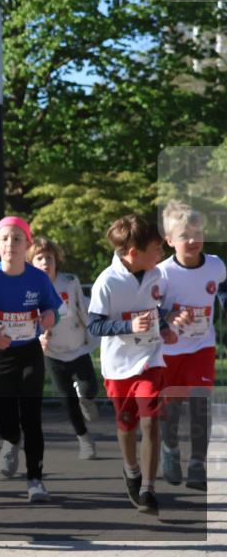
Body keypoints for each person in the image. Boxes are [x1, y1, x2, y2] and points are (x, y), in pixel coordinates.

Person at [87, 214, 180, 516]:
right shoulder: (107, 281)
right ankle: (131, 471)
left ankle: (149, 489)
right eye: (156, 248)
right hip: (118, 365)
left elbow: (160, 310)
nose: (161, 254)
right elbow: (95, 326)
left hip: (151, 358)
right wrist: (128, 326)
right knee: (126, 425)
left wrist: (167, 324)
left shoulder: (158, 275)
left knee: (151, 420)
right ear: (133, 253)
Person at [0, 217, 61, 504]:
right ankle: (10, 438)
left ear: (27, 244)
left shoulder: (38, 278)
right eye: (5, 238)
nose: (11, 244)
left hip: (29, 349)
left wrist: (48, 317)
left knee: (32, 416)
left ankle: (35, 480)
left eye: (17, 238)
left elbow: (53, 309)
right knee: (4, 416)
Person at [157, 202, 226, 492]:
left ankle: (198, 462)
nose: (193, 240)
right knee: (171, 407)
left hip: (201, 345)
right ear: (170, 240)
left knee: (200, 403)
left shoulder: (215, 265)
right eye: (185, 235)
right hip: (170, 349)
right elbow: (148, 307)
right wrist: (168, 315)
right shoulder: (162, 273)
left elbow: (222, 290)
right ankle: (169, 446)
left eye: (197, 233)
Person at [27, 237, 101, 459]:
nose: (45, 262)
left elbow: (82, 307)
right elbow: (28, 319)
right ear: (32, 262)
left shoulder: (69, 281)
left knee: (90, 388)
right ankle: (84, 439)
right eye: (39, 258)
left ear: (56, 260)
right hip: (53, 353)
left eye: (49, 258)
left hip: (77, 347)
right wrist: (37, 338)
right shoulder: (29, 287)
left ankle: (85, 398)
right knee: (67, 400)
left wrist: (95, 328)